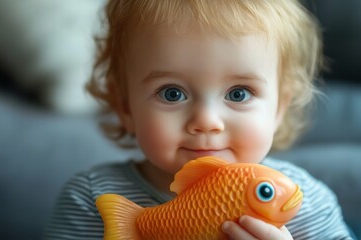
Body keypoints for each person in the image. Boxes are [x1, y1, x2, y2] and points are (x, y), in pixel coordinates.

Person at [45, 0, 354, 239]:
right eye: (171, 94)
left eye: (238, 94)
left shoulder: (302, 201)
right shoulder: (94, 199)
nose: (206, 121)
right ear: (124, 107)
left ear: (278, 109)